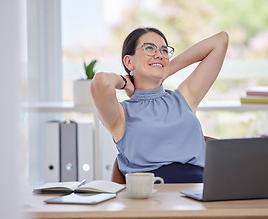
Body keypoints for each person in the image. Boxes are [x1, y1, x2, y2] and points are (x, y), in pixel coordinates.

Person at [91, 27, 228, 183]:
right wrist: (125, 83)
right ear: (129, 61)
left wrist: (164, 68)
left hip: (199, 192)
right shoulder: (121, 114)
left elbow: (220, 40)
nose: (159, 54)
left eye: (164, 51)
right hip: (152, 196)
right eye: (149, 48)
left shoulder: (183, 98)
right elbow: (101, 80)